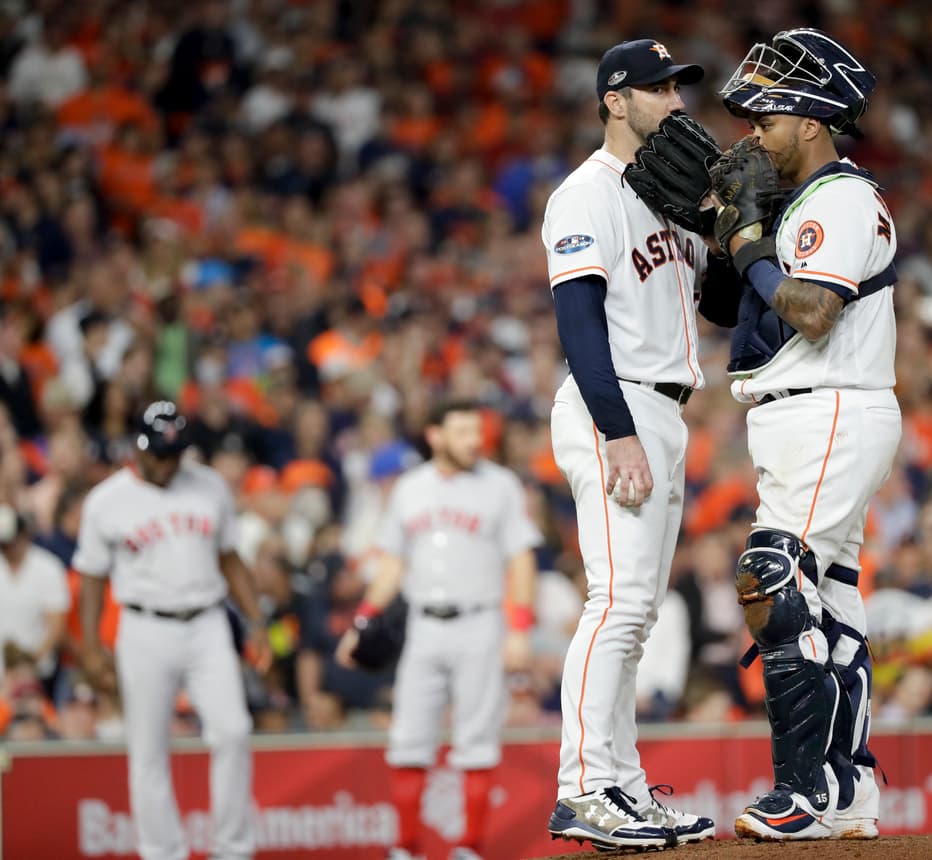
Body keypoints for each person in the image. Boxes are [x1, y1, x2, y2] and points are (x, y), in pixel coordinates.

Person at [713, 28, 901, 841]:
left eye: (768, 120)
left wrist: (751, 242)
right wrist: (726, 233)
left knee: (770, 577)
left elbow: (814, 313)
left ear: (812, 123)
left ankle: (804, 795)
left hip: (828, 403)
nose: (755, 135)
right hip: (808, 412)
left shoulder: (840, 200)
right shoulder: (802, 203)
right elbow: (735, 308)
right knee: (828, 602)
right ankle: (849, 791)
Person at [541, 38, 717, 851]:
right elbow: (579, 326)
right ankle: (583, 787)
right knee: (616, 603)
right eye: (658, 90)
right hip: (616, 407)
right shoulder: (585, 195)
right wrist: (617, 433)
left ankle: (625, 786)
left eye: (678, 87)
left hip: (666, 409)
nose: (676, 102)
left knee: (636, 615)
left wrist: (726, 224)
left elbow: (712, 306)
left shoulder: (671, 190)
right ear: (615, 100)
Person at [334, 401, 541, 860]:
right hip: (423, 624)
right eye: (462, 431)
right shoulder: (411, 488)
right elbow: (392, 563)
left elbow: (521, 558)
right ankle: (406, 848)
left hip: (481, 622)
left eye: (477, 430)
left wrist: (519, 627)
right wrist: (363, 619)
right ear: (435, 435)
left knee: (477, 740)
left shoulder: (500, 485)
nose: (474, 440)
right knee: (409, 738)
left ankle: (469, 847)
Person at [73, 401, 270, 860]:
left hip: (206, 621)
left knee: (233, 731)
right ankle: (162, 852)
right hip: (144, 626)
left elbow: (230, 558)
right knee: (148, 748)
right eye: (159, 454)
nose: (167, 463)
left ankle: (233, 849)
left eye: (174, 453)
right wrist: (90, 647)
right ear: (137, 447)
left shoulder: (208, 486)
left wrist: (256, 621)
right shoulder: (107, 500)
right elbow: (91, 580)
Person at [0, 504, 70, 684]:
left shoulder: (48, 567)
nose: (6, 548)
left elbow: (56, 626)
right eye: (1, 544)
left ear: (24, 535)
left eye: (10, 542)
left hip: (35, 669)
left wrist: (30, 662)